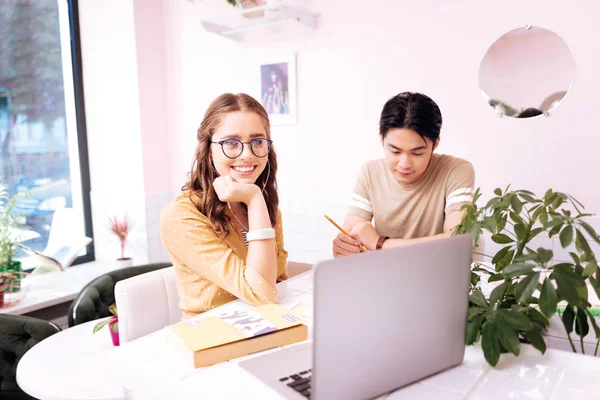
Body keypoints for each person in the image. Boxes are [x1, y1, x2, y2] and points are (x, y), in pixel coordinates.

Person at [160, 93, 288, 319]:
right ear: (209, 151)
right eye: (231, 143)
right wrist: (255, 199)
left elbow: (277, 282)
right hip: (211, 341)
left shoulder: (266, 209)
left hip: (267, 327)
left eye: (258, 142)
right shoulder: (182, 215)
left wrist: (256, 202)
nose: (247, 155)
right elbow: (262, 294)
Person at [332, 92, 475, 257]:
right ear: (381, 140)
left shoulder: (456, 171)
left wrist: (379, 244)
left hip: (437, 274)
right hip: (384, 275)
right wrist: (345, 248)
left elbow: (456, 241)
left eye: (417, 153)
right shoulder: (370, 173)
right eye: (395, 151)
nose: (404, 164)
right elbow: (352, 236)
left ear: (435, 144)